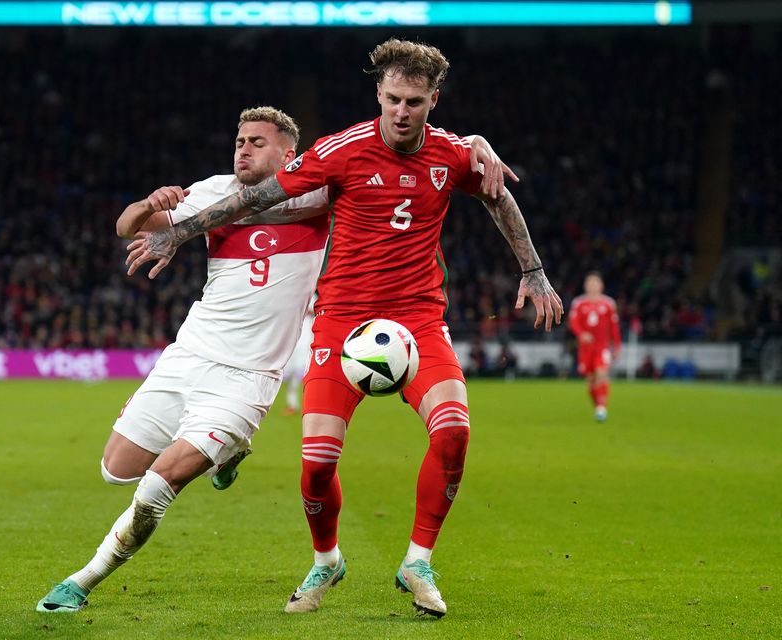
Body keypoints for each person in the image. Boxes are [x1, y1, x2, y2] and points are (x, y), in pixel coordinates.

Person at [125, 38, 563, 618]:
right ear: (377, 95)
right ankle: (326, 559)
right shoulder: (342, 151)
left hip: (418, 320)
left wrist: (532, 269)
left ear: (433, 99)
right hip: (340, 322)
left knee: (454, 430)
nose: (401, 112)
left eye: (413, 101)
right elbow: (257, 197)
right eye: (391, 100)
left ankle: (418, 561)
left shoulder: (454, 155)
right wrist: (179, 230)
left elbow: (500, 200)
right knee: (317, 465)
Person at [35, 106, 333, 612]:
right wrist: (147, 203)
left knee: (159, 482)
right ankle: (230, 453)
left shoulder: (316, 194)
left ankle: (82, 580)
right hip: (190, 353)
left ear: (288, 153)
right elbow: (126, 225)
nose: (243, 148)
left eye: (257, 142)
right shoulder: (213, 190)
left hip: (248, 376)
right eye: (240, 140)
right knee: (116, 469)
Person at [568, 271, 621, 421]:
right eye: (590, 283)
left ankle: (602, 407)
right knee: (591, 379)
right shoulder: (579, 303)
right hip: (585, 349)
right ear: (586, 286)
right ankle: (598, 406)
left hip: (602, 347)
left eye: (595, 283)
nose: (592, 286)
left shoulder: (608, 303)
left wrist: (616, 346)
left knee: (601, 374)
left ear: (601, 285)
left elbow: (614, 327)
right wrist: (581, 334)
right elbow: (573, 323)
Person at [281, 297, 315, 416]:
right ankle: (293, 404)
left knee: (303, 374)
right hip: (292, 341)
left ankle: (297, 405)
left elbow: (315, 311)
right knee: (288, 375)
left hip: (306, 341)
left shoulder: (312, 295)